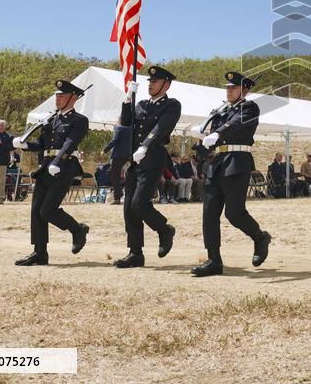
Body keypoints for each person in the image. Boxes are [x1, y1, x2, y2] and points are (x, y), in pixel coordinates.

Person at [191, 71, 272, 277]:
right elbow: (214, 139)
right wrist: (201, 148)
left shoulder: (249, 108)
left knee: (234, 213)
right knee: (209, 213)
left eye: (233, 88)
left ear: (244, 90)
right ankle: (214, 260)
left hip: (237, 162)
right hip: (217, 164)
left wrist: (218, 133)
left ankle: (260, 237)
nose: (229, 91)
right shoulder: (221, 111)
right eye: (227, 88)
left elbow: (236, 125)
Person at [12, 80, 90, 265]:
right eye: (56, 95)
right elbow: (42, 144)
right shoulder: (51, 119)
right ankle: (39, 252)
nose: (57, 98)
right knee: (36, 211)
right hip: (45, 167)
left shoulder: (79, 120)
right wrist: (25, 145)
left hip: (64, 168)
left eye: (61, 95)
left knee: (47, 210)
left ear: (73, 98)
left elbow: (69, 143)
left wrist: (57, 161)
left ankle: (77, 229)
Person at [114, 66, 181, 269]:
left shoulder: (171, 105)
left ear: (166, 84)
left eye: (155, 81)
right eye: (149, 81)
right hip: (136, 160)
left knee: (139, 203)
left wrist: (145, 145)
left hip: (153, 157)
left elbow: (161, 128)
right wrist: (128, 99)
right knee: (129, 209)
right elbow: (126, 122)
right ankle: (135, 253)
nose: (150, 84)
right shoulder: (141, 104)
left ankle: (164, 230)